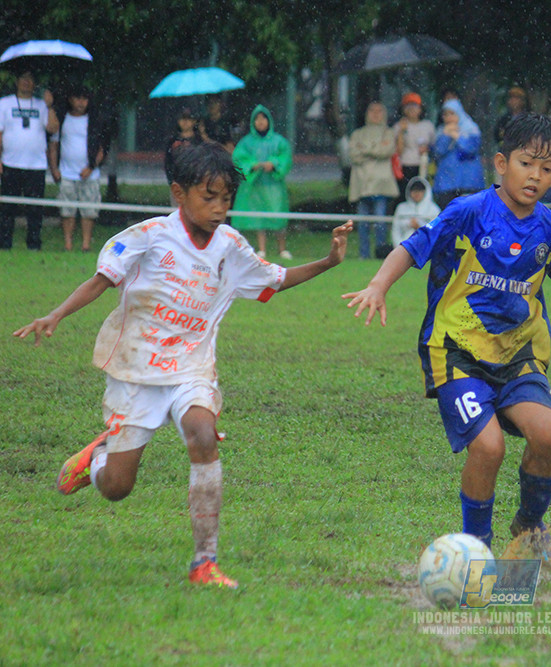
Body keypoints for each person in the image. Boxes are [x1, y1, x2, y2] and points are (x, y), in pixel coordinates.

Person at [12, 142, 353, 589]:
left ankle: (204, 563)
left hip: (191, 367)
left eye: (226, 199)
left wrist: (329, 261)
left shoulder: (231, 246)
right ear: (179, 193)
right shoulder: (149, 236)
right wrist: (55, 314)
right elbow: (100, 281)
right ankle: (96, 458)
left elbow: (276, 279)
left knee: (202, 433)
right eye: (208, 197)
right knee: (117, 487)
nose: (218, 208)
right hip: (135, 371)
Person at [343, 113, 551, 567]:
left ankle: (528, 527)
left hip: (519, 352)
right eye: (527, 164)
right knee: (488, 447)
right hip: (456, 350)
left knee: (547, 433)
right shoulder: (469, 211)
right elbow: (413, 248)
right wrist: (378, 284)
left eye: (547, 170)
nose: (536, 176)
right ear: (501, 163)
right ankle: (476, 546)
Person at [48, 85, 113, 252]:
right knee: (67, 210)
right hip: (66, 172)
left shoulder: (95, 120)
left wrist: (91, 166)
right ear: (70, 99)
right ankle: (68, 244)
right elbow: (54, 145)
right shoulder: (62, 119)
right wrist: (54, 168)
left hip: (89, 174)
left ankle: (86, 244)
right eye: (78, 98)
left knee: (89, 211)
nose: (81, 103)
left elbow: (102, 147)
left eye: (84, 99)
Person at [0, 69, 59, 250]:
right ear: (17, 82)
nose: (26, 82)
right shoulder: (4, 104)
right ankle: (4, 243)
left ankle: (33, 244)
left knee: (35, 209)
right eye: (23, 78)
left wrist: (49, 107)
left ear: (35, 84)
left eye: (30, 79)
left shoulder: (42, 105)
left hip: (36, 165)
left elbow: (53, 128)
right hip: (11, 163)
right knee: (7, 208)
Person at [230, 105, 293, 260]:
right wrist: (253, 165)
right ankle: (261, 249)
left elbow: (285, 158)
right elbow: (238, 158)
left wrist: (274, 164)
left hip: (274, 187)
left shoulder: (279, 141)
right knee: (258, 217)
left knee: (278, 216)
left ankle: (282, 248)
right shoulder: (246, 142)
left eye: (263, 118)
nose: (260, 122)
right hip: (254, 187)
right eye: (257, 119)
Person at [349, 101, 399, 259]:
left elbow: (387, 150)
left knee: (380, 222)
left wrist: (365, 149)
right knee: (362, 223)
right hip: (362, 183)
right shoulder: (357, 133)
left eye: (379, 110)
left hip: (381, 184)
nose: (376, 114)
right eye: (372, 110)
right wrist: (376, 149)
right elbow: (353, 155)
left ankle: (381, 253)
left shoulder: (388, 133)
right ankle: (363, 254)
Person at [432, 98, 484, 210]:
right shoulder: (441, 131)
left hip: (469, 182)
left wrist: (458, 137)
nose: (449, 117)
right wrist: (446, 136)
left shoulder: (471, 129)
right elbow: (438, 151)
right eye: (445, 114)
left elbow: (471, 149)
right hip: (446, 183)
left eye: (452, 113)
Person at [393, 92, 435, 190]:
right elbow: (398, 151)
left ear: (421, 108)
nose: (412, 109)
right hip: (405, 165)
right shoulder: (398, 126)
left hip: (424, 164)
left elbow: (434, 145)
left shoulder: (428, 125)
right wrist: (401, 132)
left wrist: (428, 149)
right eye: (408, 106)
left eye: (415, 106)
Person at [391, 176, 439, 247]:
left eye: (420, 191)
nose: (417, 194)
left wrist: (419, 226)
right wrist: (400, 246)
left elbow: (436, 232)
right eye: (414, 190)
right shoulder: (401, 208)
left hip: (426, 248)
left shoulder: (434, 209)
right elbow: (395, 230)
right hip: (404, 247)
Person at [164, 106, 201, 185]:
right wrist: (171, 180)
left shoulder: (199, 141)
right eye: (182, 118)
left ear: (194, 121)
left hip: (196, 182)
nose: (185, 122)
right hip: (177, 180)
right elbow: (168, 162)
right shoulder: (172, 141)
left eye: (188, 119)